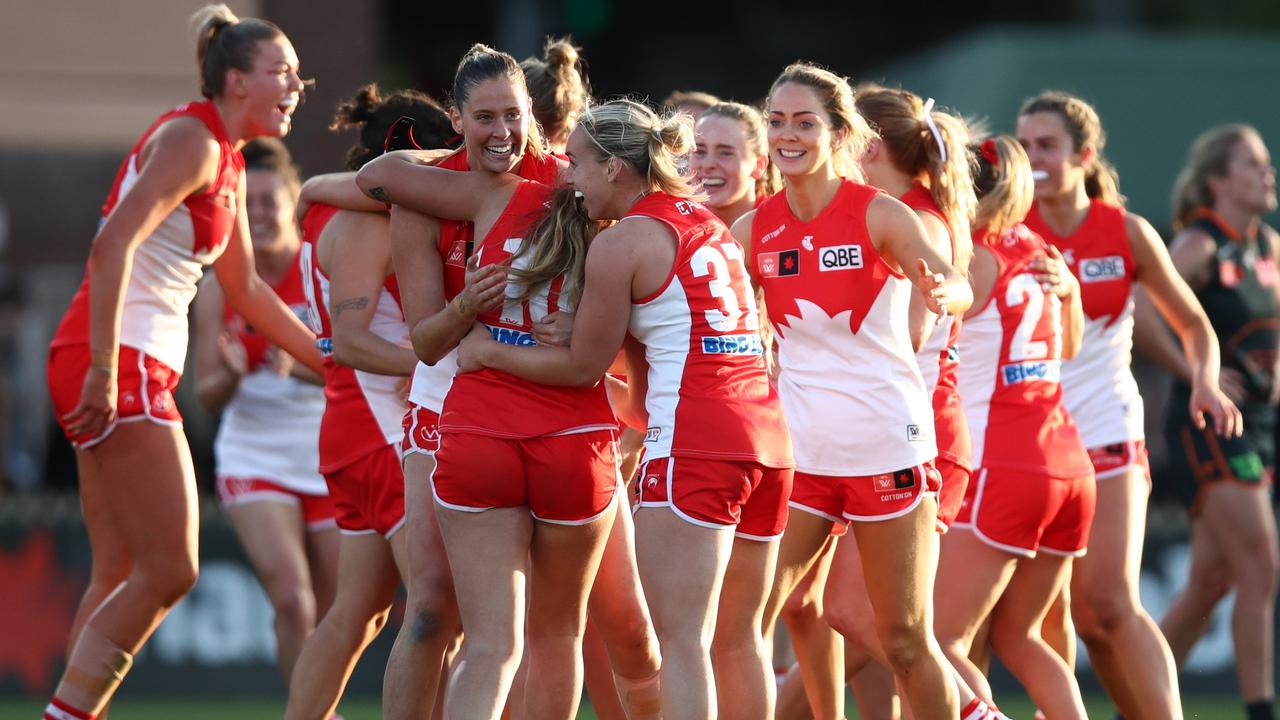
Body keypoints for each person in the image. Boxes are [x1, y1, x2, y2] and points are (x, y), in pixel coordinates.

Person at [440, 98, 792, 720]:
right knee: (740, 643)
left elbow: (579, 370)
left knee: (683, 646)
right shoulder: (710, 224)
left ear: (613, 168)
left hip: (697, 443)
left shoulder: (622, 241)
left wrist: (487, 352)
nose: (566, 178)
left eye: (576, 163)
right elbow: (661, 356)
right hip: (767, 441)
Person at [43, 6, 318, 719]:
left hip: (113, 357)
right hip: (118, 358)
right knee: (172, 568)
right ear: (235, 80)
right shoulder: (195, 140)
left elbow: (248, 292)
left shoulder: (222, 158)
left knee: (118, 572)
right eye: (280, 71)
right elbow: (111, 248)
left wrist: (329, 356)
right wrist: (106, 368)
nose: (297, 83)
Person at [733, 63, 972, 720]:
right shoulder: (755, 229)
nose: (788, 134)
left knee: (903, 641)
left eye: (805, 122)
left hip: (886, 449)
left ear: (838, 133)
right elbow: (701, 313)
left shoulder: (880, 214)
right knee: (742, 622)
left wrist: (941, 290)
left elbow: (959, 283)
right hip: (803, 459)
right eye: (777, 121)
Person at [1018, 91, 1240, 720]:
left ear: (1084, 155)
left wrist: (1205, 380)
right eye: (1025, 145)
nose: (1033, 158)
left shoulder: (1126, 232)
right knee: (1050, 617)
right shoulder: (1003, 231)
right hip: (1024, 443)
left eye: (1048, 146)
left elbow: (1195, 325)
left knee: (1109, 605)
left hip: (1106, 427)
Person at [283, 84, 455, 720]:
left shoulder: (338, 208)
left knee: (359, 613)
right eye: (444, 157)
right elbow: (352, 342)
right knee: (442, 613)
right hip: (379, 432)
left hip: (354, 429)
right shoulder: (362, 220)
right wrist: (441, 363)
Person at [935, 134, 1092, 720]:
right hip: (1067, 462)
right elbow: (1070, 347)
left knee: (937, 639)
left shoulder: (970, 256)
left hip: (1002, 461)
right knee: (1021, 637)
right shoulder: (1037, 248)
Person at [193, 138, 337, 688]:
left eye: (268, 201)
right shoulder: (219, 286)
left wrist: (296, 366)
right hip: (253, 450)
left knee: (340, 613)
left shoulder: (320, 268)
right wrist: (230, 373)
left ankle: (319, 702)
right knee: (293, 601)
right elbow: (206, 398)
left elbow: (352, 369)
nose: (257, 213)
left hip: (325, 452)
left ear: (293, 201)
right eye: (245, 202)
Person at [1147, 123, 1278, 720]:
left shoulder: (1268, 247)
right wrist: (1198, 373)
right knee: (1261, 564)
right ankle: (1260, 710)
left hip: (1262, 422)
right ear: (1218, 180)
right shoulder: (1199, 245)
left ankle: (1133, 700)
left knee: (1211, 581)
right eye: (1252, 164)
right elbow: (1142, 309)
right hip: (1213, 425)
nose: (1266, 172)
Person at [690, 102, 780, 228]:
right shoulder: (672, 224)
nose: (707, 164)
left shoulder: (783, 224)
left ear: (759, 165)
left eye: (726, 153)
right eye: (700, 151)